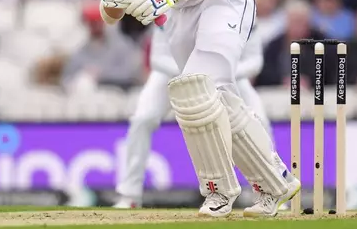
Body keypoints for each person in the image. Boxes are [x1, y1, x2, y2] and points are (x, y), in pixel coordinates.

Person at [95, 0, 300, 218]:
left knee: (199, 89)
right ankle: (276, 182)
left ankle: (219, 191)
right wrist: (111, 2)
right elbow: (113, 14)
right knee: (213, 96)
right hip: (182, 13)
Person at [113, 27, 272, 208]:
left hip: (227, 75)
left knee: (259, 119)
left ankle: (268, 193)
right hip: (171, 74)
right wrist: (195, 72)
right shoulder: (169, 6)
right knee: (143, 118)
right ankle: (130, 194)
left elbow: (254, 61)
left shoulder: (237, 7)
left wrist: (220, 72)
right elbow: (158, 58)